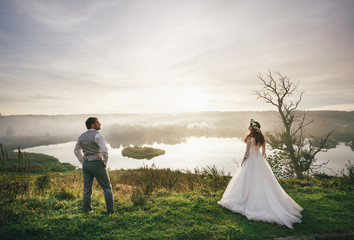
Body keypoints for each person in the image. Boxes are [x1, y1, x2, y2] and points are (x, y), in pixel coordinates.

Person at [218, 119, 302, 228]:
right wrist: (259, 160)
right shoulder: (262, 139)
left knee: (247, 181)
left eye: (250, 126)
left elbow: (247, 153)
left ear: (252, 128)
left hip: (251, 162)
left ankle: (247, 199)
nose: (248, 127)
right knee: (263, 183)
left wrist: (243, 162)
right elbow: (263, 153)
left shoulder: (249, 139)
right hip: (259, 162)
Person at [74, 117, 114, 215]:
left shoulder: (81, 136)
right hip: (97, 163)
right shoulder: (98, 135)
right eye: (98, 122)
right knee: (107, 188)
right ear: (92, 125)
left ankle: (87, 211)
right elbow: (104, 151)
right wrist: (105, 162)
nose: (100, 124)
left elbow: (76, 151)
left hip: (86, 164)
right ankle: (110, 211)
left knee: (87, 189)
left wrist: (83, 162)